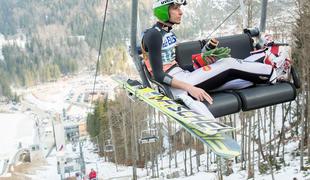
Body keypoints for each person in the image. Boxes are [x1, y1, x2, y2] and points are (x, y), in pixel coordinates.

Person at [141, 0, 291, 116]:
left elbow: (172, 65)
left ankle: (264, 59)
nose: (180, 12)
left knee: (236, 80)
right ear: (163, 10)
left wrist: (199, 63)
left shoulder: (166, 32)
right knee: (228, 64)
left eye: (180, 8)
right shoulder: (154, 35)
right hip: (178, 84)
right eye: (175, 8)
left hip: (182, 76)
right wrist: (190, 88)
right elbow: (160, 75)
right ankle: (273, 73)